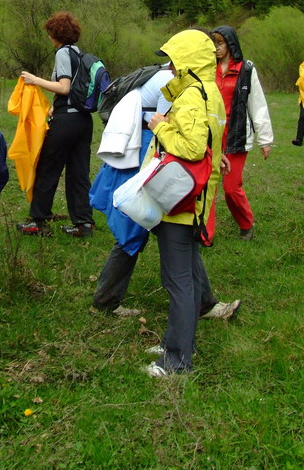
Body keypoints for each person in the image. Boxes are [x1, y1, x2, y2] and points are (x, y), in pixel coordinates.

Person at [89, 67, 241, 322]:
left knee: (168, 233)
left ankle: (204, 303)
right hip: (147, 157)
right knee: (138, 233)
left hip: (151, 154)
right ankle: (105, 300)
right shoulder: (173, 82)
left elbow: (178, 129)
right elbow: (167, 125)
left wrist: (215, 154)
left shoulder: (173, 79)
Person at [144, 30, 227, 377]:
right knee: (188, 276)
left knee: (177, 280)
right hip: (195, 199)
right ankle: (178, 342)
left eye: (177, 59)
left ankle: (177, 362)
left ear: (190, 61)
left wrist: (160, 126)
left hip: (180, 202)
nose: (172, 65)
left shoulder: (193, 95)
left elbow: (192, 148)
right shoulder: (211, 91)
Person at [16, 12, 95, 238]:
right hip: (83, 121)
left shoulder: (62, 53)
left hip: (66, 122)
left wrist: (35, 80)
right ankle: (84, 224)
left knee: (48, 168)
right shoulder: (80, 54)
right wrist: (54, 107)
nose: (49, 37)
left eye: (50, 33)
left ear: (56, 33)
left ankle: (39, 222)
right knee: (78, 173)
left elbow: (65, 87)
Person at [209, 26, 274, 241]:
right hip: (211, 136)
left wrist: (265, 140)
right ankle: (205, 233)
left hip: (236, 136)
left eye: (220, 43)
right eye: (214, 43)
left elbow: (258, 105)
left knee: (231, 187)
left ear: (231, 44)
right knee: (207, 186)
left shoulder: (246, 69)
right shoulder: (208, 67)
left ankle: (246, 224)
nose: (216, 48)